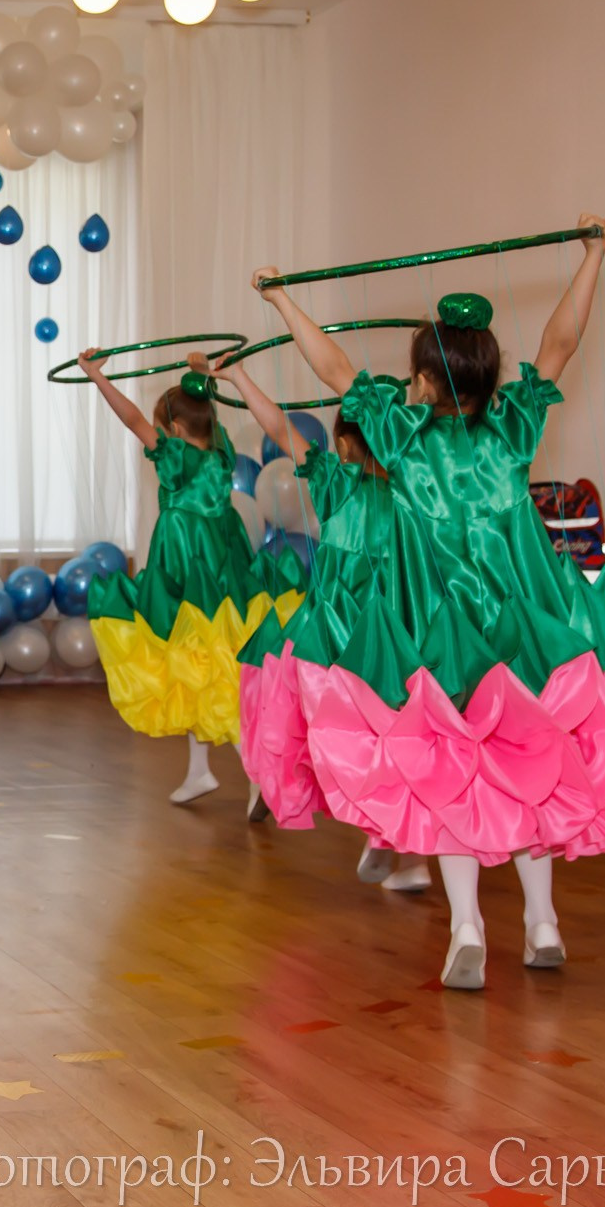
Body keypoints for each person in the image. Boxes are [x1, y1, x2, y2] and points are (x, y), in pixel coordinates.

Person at [249, 216, 605, 989]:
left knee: (452, 778)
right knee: (528, 765)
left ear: (424, 379)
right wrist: (593, 256)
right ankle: (543, 920)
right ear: (488, 376)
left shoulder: (401, 436)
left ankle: (466, 926)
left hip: (439, 632)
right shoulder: (513, 426)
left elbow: (336, 367)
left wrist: (282, 300)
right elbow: (561, 342)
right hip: (522, 626)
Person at [205, 352, 431, 893]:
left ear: (345, 446)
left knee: (336, 732)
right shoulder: (414, 487)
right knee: (403, 733)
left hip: (341, 632)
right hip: (403, 629)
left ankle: (383, 833)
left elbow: (278, 428)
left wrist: (237, 376)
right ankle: (410, 852)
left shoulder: (335, 479)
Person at [77, 350, 298, 804]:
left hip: (185, 567)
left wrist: (97, 377)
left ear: (174, 429)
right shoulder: (221, 454)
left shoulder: (174, 456)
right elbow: (199, 415)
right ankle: (199, 771)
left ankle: (255, 769)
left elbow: (131, 419)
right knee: (198, 663)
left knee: (200, 662)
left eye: (161, 428)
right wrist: (203, 380)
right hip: (222, 568)